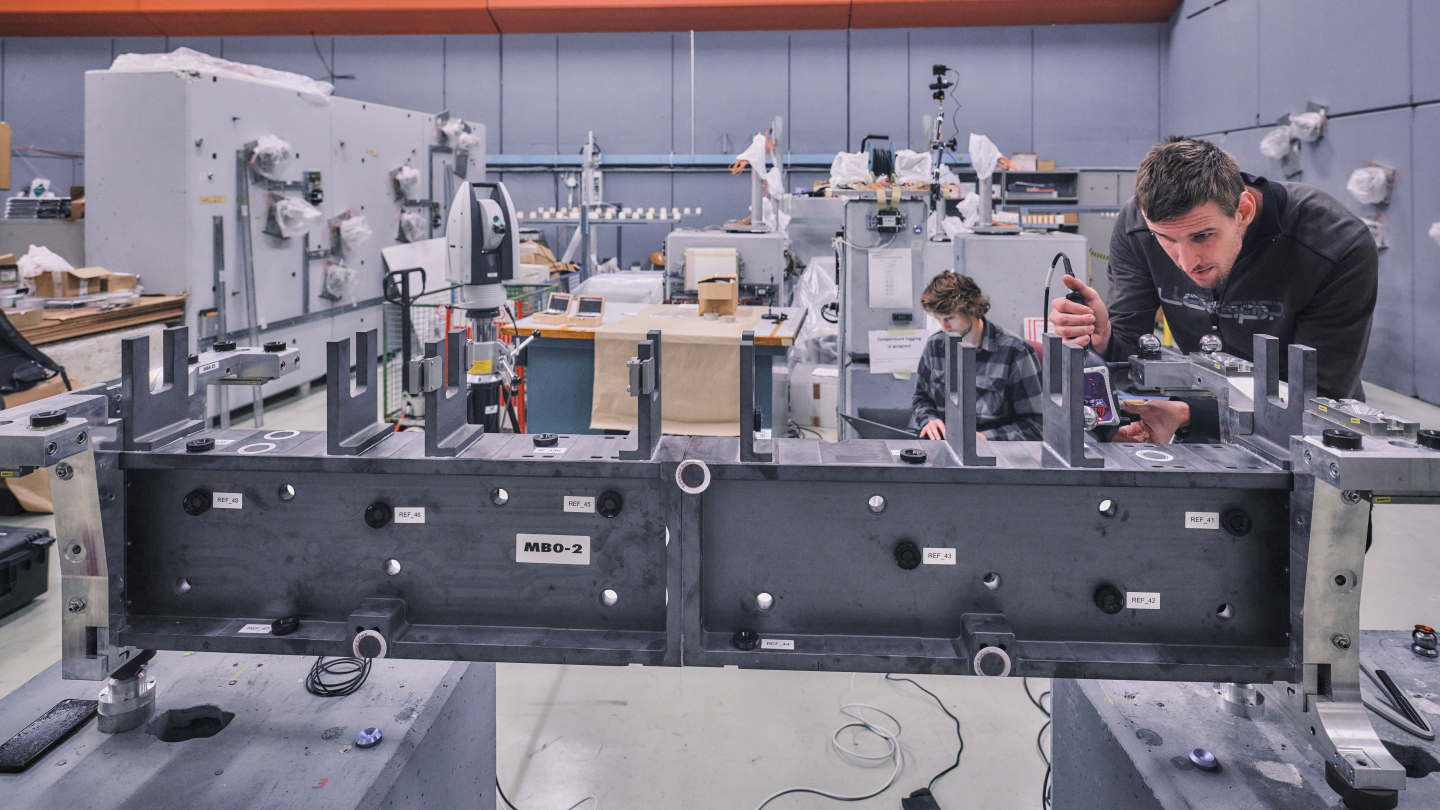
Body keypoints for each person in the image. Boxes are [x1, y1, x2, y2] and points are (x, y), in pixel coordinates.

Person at [1048, 137, 1378, 443]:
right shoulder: (1137, 226)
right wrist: (1105, 338)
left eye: (1202, 236)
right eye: (1167, 239)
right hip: (1197, 417)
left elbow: (1320, 398)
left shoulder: (1333, 244)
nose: (1187, 263)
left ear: (1243, 211)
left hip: (1311, 440)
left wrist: (1194, 414)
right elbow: (1132, 357)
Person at [913, 271, 1043, 441]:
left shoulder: (1015, 351)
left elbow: (1035, 425)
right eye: (938, 320)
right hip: (944, 445)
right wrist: (929, 420)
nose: (944, 328)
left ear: (972, 309)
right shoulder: (935, 346)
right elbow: (921, 398)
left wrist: (985, 438)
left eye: (949, 318)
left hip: (994, 454)